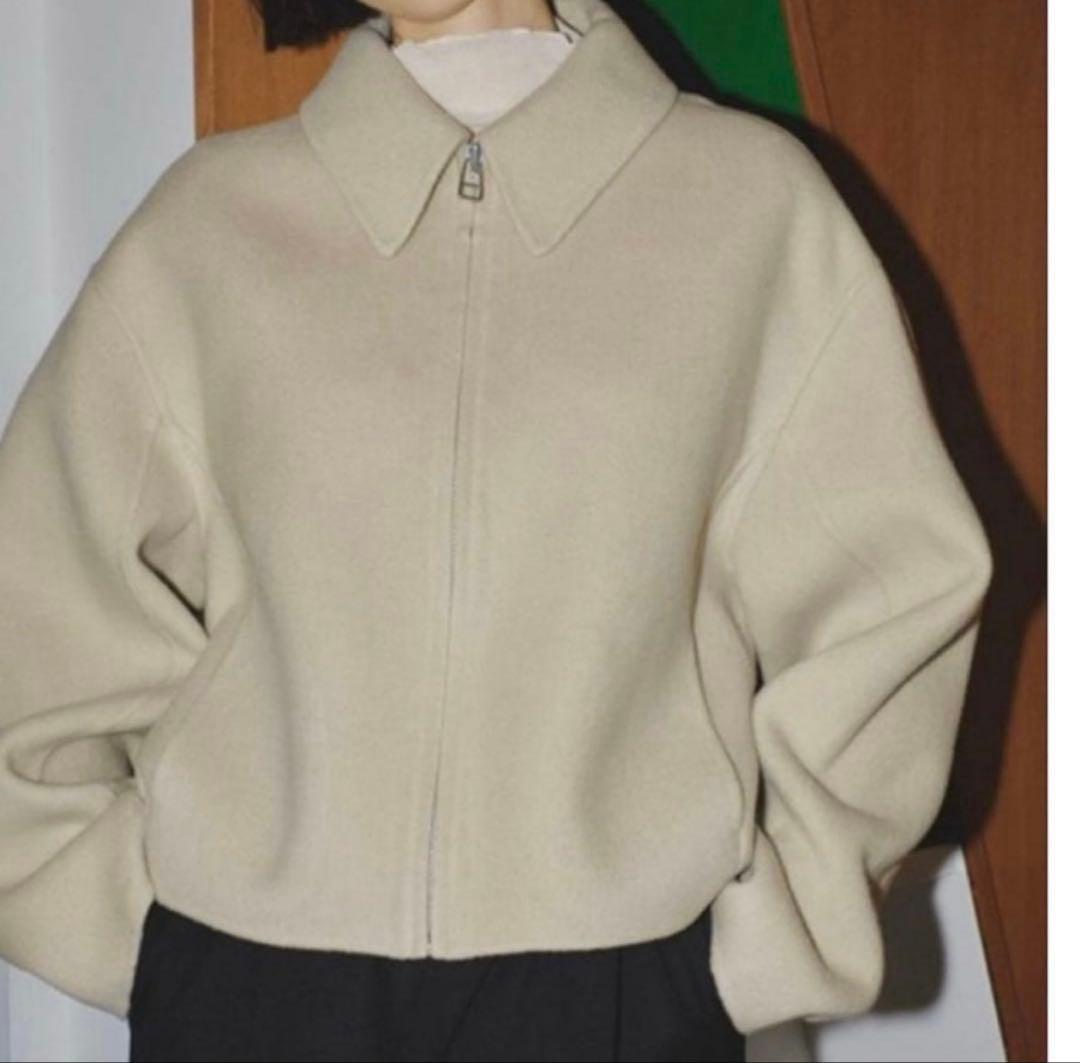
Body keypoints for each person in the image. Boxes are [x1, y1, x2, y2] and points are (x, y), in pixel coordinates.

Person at [0, 1, 994, 1060]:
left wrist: (757, 949)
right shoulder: (209, 225)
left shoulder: (752, 208)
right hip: (253, 992)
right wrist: (147, 946)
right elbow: (39, 604)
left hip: (629, 990)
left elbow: (896, 593)